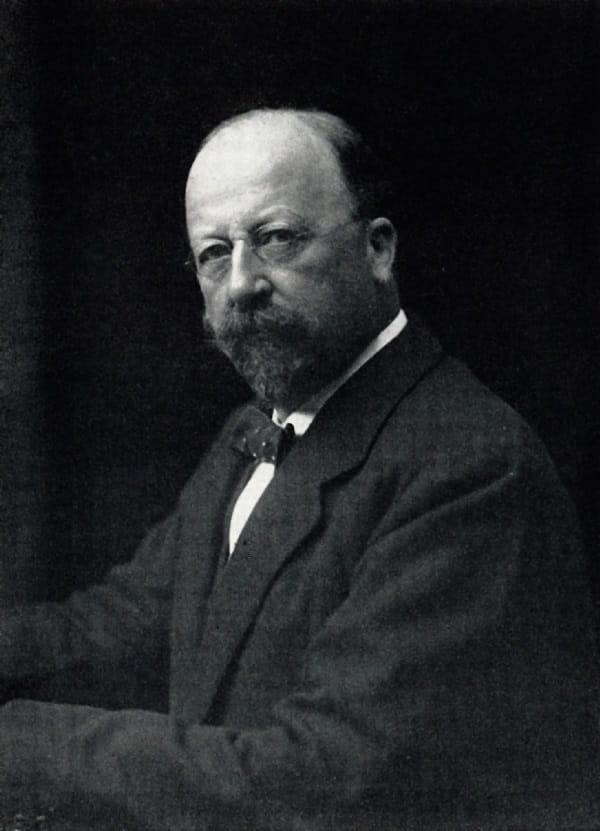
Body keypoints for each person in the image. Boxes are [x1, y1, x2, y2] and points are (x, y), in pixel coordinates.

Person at [0, 108, 599, 830]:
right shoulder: (251, 431)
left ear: (378, 249)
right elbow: (123, 626)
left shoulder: (470, 465)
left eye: (276, 238)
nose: (241, 282)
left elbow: (328, 778)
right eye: (214, 253)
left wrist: (19, 745)